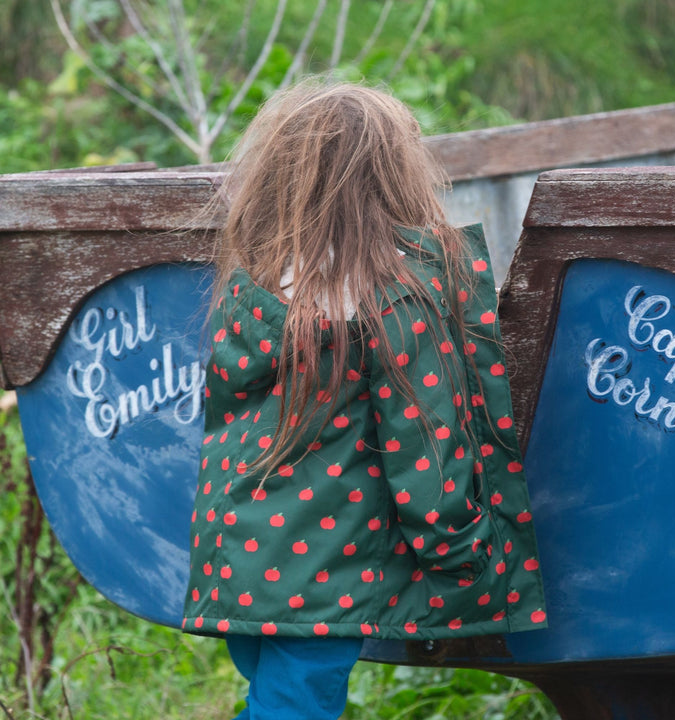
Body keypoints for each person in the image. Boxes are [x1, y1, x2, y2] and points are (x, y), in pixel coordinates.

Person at [182, 78, 546, 719]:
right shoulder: (395, 296)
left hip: (239, 558)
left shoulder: (259, 283)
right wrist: (461, 553)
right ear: (394, 174)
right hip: (322, 573)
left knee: (272, 701)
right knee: (294, 710)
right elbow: (426, 444)